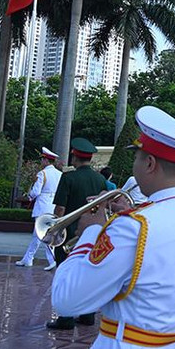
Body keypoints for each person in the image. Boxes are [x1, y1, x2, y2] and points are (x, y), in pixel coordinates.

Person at [51, 106, 175, 349]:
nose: (135, 165)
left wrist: (91, 233)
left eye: (138, 157)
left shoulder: (133, 227)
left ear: (150, 163)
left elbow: (68, 300)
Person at [46, 137, 108, 330]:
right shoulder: (100, 179)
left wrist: (55, 229)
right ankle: (88, 315)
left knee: (66, 275)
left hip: (69, 234)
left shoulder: (68, 177)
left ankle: (65, 319)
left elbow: (60, 209)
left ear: (74, 157)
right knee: (88, 273)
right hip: (92, 235)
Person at [16, 147, 61, 271]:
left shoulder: (43, 173)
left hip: (42, 206)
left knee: (42, 234)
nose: (41, 162)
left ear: (46, 160)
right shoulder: (60, 174)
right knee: (38, 235)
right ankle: (28, 258)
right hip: (53, 206)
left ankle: (52, 259)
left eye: (42, 159)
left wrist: (29, 195)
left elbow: (36, 192)